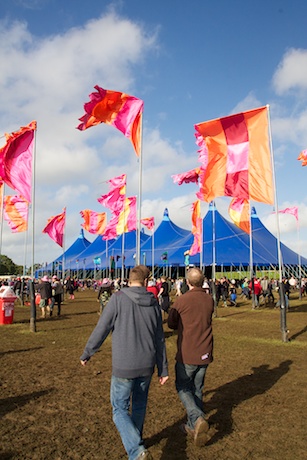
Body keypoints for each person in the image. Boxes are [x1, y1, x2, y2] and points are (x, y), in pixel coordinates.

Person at [80, 265, 168, 460]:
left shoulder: (118, 299)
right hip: (146, 365)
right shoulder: (153, 303)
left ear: (129, 280)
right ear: (146, 282)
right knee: (138, 406)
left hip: (124, 366)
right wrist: (163, 369)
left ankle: (136, 451)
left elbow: (102, 328)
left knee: (119, 409)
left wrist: (88, 352)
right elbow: (159, 339)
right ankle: (137, 446)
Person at [167, 267, 213, 447]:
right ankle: (193, 425)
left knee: (183, 386)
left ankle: (197, 417)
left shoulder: (182, 301)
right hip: (205, 351)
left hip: (188, 352)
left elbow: (171, 323)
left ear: (187, 282)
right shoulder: (209, 300)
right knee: (197, 388)